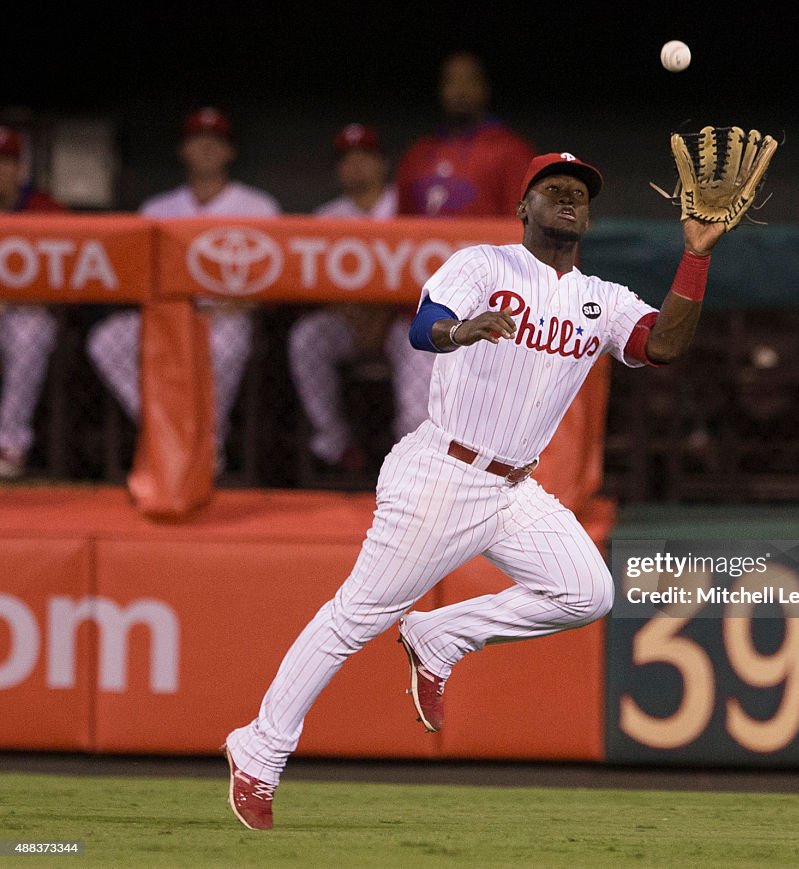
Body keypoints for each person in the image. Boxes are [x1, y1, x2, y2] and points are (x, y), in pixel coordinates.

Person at [223, 151, 727, 830]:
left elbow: (662, 345)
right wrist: (461, 330)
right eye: (554, 189)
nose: (570, 199)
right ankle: (260, 748)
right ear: (524, 206)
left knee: (587, 590)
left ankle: (440, 635)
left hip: (514, 487)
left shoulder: (600, 299)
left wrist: (694, 255)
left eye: (580, 192)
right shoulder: (485, 265)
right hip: (444, 471)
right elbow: (421, 325)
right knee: (355, 618)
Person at [86, 107, 279, 472]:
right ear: (183, 150)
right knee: (105, 340)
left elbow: (270, 285)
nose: (206, 148)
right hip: (170, 315)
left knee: (226, 344)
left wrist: (227, 309)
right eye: (198, 140)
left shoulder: (258, 206)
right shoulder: (157, 208)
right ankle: (172, 429)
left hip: (228, 315)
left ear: (229, 151)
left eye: (215, 141)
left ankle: (208, 440)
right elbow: (140, 281)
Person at [288, 124, 432, 472]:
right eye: (347, 159)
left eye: (364, 157)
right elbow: (316, 286)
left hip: (402, 321)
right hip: (349, 322)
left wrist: (380, 317)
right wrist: (356, 316)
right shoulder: (326, 216)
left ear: (382, 163)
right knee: (306, 337)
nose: (355, 166)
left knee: (422, 356)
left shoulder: (407, 206)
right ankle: (335, 442)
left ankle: (414, 459)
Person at [0, 126, 67, 480]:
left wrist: (13, 298)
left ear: (20, 170)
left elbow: (71, 280)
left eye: (6, 163)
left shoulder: (45, 211)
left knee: (30, 331)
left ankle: (9, 444)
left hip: (25, 313)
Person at [396, 51, 534, 217]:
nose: (460, 90)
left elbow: (522, 223)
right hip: (427, 243)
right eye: (451, 81)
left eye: (470, 80)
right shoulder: (417, 154)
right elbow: (401, 222)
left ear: (485, 88)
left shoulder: (512, 151)